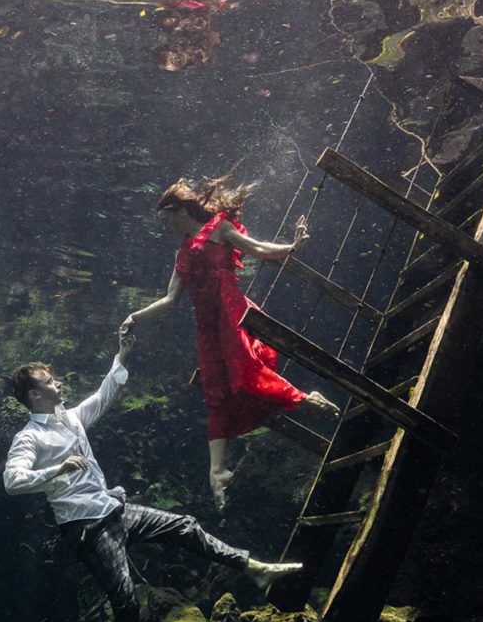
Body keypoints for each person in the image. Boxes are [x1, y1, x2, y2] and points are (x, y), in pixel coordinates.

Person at [3, 330, 303, 622]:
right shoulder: (30, 437)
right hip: (87, 530)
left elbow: (104, 395)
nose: (58, 384)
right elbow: (12, 481)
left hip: (114, 509)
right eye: (50, 382)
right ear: (35, 396)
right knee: (125, 600)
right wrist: (56, 469)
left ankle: (254, 568)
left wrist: (123, 355)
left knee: (185, 526)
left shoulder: (71, 419)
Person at [122, 175, 340, 509]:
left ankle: (304, 399)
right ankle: (217, 471)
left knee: (246, 378)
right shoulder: (182, 252)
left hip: (233, 315)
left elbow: (258, 249)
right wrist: (134, 317)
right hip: (208, 327)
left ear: (178, 209)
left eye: (165, 219)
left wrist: (293, 248)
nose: (163, 227)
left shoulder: (220, 228)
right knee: (216, 392)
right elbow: (170, 299)